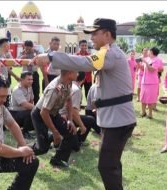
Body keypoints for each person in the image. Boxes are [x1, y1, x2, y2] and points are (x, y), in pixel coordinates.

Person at [34, 18, 136, 190]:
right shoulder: (108, 53)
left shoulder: (110, 53)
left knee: (107, 166)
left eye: (95, 34)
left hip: (118, 120)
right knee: (111, 165)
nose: (92, 38)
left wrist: (50, 56)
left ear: (107, 34)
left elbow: (84, 62)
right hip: (114, 119)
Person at [31, 70, 79, 168]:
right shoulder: (54, 89)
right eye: (76, 72)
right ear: (69, 73)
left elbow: (69, 99)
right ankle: (23, 151)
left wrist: (70, 120)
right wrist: (55, 132)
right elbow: (43, 112)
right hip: (40, 115)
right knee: (43, 148)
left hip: (53, 113)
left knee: (70, 132)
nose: (77, 74)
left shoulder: (68, 82)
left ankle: (57, 160)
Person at [59, 73, 101, 147]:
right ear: (84, 79)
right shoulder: (76, 89)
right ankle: (78, 140)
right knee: (90, 120)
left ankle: (75, 141)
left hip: (57, 115)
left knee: (86, 119)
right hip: (65, 118)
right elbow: (73, 112)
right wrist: (82, 126)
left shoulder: (68, 84)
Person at [9, 71, 35, 139]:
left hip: (23, 112)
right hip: (14, 114)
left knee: (34, 113)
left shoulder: (29, 87)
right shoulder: (17, 90)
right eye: (28, 79)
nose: (31, 81)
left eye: (32, 79)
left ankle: (34, 129)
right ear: (21, 79)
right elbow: (25, 105)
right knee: (32, 113)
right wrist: (38, 109)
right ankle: (24, 132)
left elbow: (31, 100)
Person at [140, 47, 163, 119]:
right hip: (144, 81)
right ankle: (143, 112)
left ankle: (150, 114)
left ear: (152, 52)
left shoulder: (157, 60)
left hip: (152, 83)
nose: (147, 52)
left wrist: (145, 62)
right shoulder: (147, 59)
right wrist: (140, 64)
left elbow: (151, 69)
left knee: (150, 99)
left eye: (149, 51)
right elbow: (144, 69)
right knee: (142, 97)